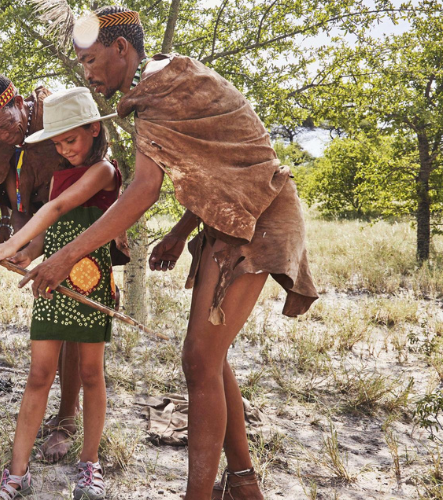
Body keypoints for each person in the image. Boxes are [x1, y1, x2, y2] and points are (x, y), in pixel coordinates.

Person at [21, 6, 319, 499]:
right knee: (210, 359)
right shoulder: (158, 83)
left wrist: (66, 256)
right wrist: (182, 230)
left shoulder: (160, 86)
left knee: (200, 361)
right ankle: (243, 484)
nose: (88, 73)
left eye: (93, 60)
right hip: (230, 220)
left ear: (122, 49)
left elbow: (141, 190)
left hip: (259, 218)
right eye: (82, 64)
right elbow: (215, 161)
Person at [0, 87, 120, 500]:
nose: (65, 149)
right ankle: (16, 474)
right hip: (51, 283)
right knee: (39, 374)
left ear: (94, 130)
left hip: (92, 281)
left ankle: (89, 465)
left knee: (92, 374)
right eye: (57, 143)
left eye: (71, 140)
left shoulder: (105, 172)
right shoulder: (59, 175)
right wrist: (24, 253)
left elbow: (56, 210)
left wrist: (8, 242)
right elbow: (49, 232)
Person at [0, 74, 82, 462]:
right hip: (40, 236)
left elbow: (76, 193)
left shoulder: (57, 118)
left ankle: (68, 418)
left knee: (73, 329)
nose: (1, 136)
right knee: (54, 326)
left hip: (81, 233)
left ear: (19, 102)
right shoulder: (4, 140)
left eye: (5, 125)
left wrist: (42, 245)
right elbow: (18, 201)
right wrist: (22, 247)